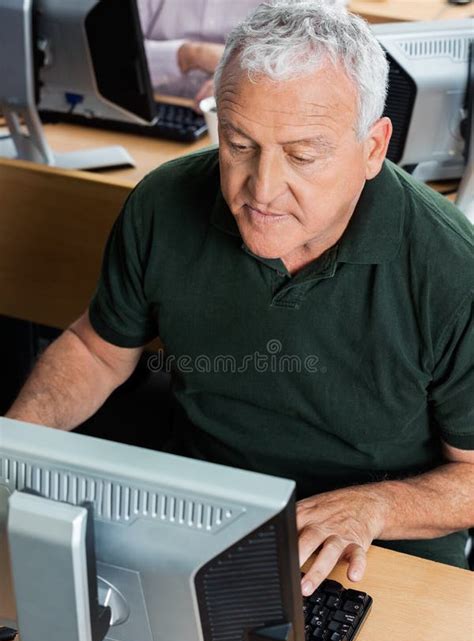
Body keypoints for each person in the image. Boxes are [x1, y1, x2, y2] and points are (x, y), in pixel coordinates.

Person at [6, 1, 473, 595]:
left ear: (374, 147)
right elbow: (97, 351)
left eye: (303, 154)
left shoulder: (452, 268)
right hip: (204, 526)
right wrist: (14, 443)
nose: (262, 189)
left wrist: (376, 507)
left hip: (381, 559)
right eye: (239, 144)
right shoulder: (163, 202)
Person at [137, 0, 259, 106]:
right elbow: (123, 56)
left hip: (236, 118)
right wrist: (190, 55)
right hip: (155, 104)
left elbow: (274, 69)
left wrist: (241, 81)